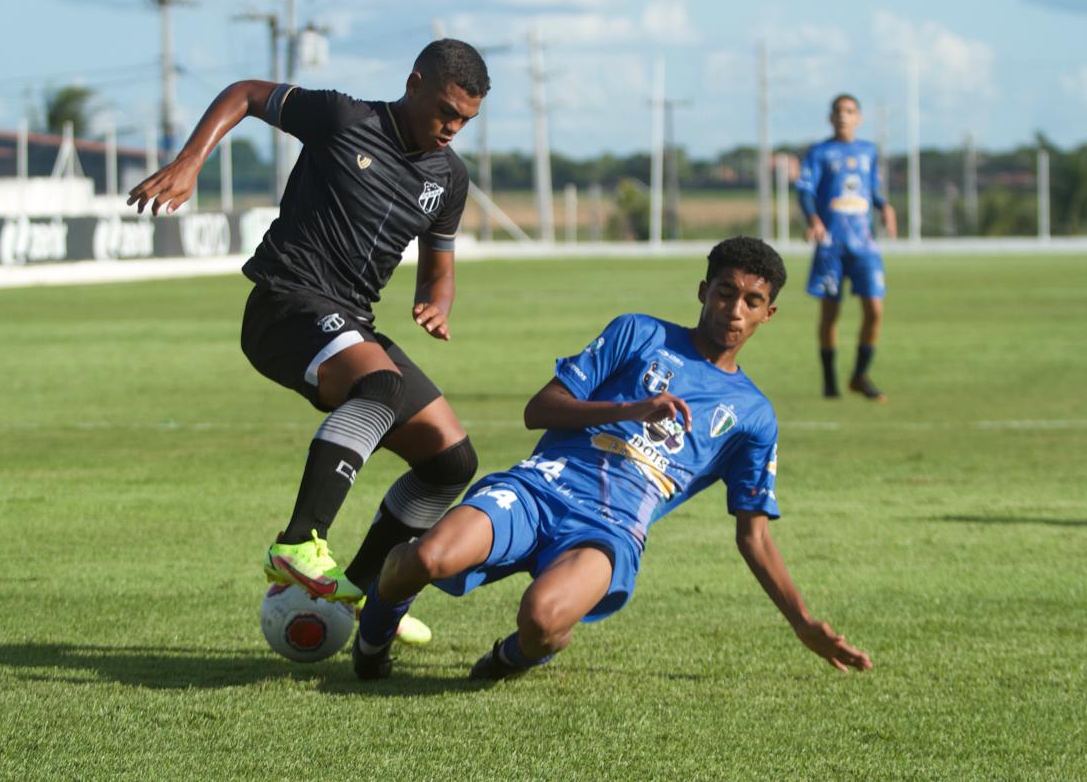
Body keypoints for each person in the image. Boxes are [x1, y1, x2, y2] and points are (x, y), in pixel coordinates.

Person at [352, 237, 873, 681]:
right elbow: (540, 410)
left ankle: (508, 660)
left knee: (543, 621)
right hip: (541, 486)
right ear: (704, 292)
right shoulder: (638, 333)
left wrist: (802, 621)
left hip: (611, 531)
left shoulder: (754, 417)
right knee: (426, 558)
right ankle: (372, 641)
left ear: (768, 313)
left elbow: (753, 534)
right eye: (726, 293)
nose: (735, 310)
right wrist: (633, 408)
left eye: (752, 301)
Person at [126, 40, 491, 645]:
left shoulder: (448, 177)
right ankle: (298, 542)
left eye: (466, 121)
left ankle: (368, 589)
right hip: (284, 304)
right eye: (447, 111)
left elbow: (439, 260)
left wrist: (439, 299)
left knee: (451, 460)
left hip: (352, 320)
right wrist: (190, 161)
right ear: (415, 81)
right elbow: (244, 94)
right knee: (381, 384)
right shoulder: (345, 119)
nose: (453, 128)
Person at [796, 93, 897, 401]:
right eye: (838, 111)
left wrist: (885, 207)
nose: (843, 116)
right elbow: (804, 189)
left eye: (850, 111)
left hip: (863, 243)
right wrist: (813, 220)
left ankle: (860, 375)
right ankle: (830, 381)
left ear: (859, 118)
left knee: (875, 310)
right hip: (831, 244)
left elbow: (872, 189)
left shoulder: (868, 151)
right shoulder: (820, 152)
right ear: (831, 117)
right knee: (830, 313)